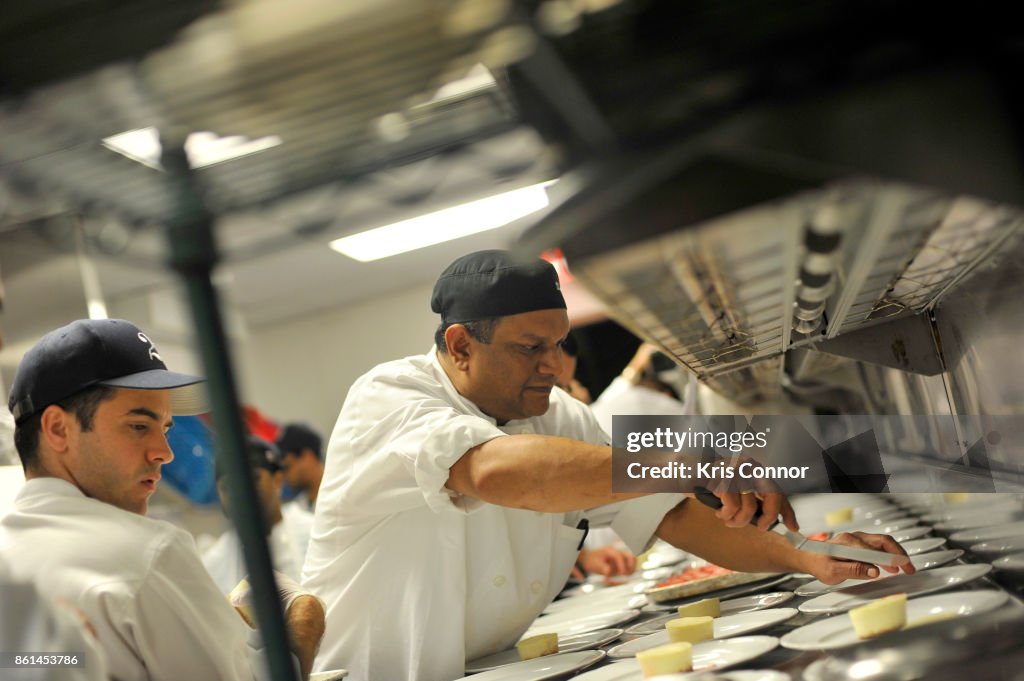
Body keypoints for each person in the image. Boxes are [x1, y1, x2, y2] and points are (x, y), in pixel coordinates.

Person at [303, 250, 912, 681]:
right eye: (529, 348)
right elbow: (494, 471)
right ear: (461, 345)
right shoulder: (390, 395)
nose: (555, 366)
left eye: (558, 343)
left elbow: (672, 514)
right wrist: (684, 457)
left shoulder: (557, 414)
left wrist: (804, 554)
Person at [0, 318, 325, 681]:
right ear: (59, 429)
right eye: (139, 426)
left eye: (165, 428)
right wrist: (299, 625)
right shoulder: (147, 554)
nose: (165, 453)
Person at [203, 436, 313, 593]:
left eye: (252, 479)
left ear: (278, 479)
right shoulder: (213, 564)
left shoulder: (313, 534)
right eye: (227, 486)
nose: (239, 491)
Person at [276, 422, 325, 513]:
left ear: (307, 457)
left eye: (288, 466)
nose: (284, 475)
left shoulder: (341, 496)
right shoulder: (294, 509)